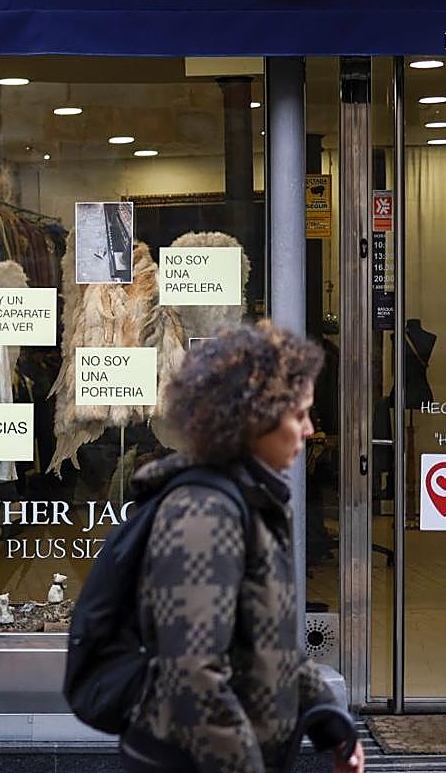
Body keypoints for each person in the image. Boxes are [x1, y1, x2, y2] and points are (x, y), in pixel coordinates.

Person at [121, 322, 364, 773]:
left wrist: (333, 727)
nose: (310, 429)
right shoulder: (205, 514)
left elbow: (268, 645)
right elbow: (194, 677)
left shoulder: (249, 502)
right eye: (299, 415)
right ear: (255, 419)